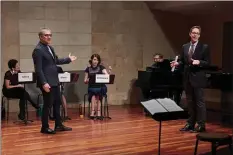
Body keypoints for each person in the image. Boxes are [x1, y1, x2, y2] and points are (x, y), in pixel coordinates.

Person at [32, 28, 77, 134]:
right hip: (47, 82)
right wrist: (44, 83)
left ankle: (58, 125)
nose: (49, 37)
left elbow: (55, 61)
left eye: (50, 35)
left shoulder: (50, 48)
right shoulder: (38, 50)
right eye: (46, 35)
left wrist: (68, 59)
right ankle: (44, 127)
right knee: (48, 105)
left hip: (54, 80)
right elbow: (38, 69)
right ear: (41, 37)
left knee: (58, 103)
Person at [171, 26, 210, 133]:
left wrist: (199, 62)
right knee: (190, 102)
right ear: (190, 34)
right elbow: (183, 62)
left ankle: (201, 125)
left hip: (198, 78)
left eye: (197, 33)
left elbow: (207, 63)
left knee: (199, 103)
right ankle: (190, 124)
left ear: (199, 35)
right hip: (187, 78)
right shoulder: (185, 46)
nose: (195, 35)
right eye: (193, 33)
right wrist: (177, 63)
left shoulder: (204, 47)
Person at [84, 54, 109, 120]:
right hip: (92, 86)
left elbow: (106, 75)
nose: (96, 61)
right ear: (91, 60)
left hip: (100, 86)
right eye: (94, 59)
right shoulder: (88, 69)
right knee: (93, 94)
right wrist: (87, 80)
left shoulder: (101, 67)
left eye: (97, 60)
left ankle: (98, 112)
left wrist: (108, 72)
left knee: (98, 93)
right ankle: (92, 112)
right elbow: (85, 80)